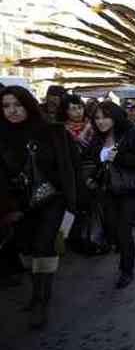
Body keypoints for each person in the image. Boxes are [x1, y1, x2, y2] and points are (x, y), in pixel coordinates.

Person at [0, 85, 78, 329]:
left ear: (28, 104)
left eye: (17, 104)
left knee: (43, 246)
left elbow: (70, 166)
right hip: (19, 205)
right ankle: (36, 292)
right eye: (6, 106)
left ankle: (41, 300)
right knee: (26, 248)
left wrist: (75, 201)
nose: (12, 110)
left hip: (51, 201)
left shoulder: (52, 132)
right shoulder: (1, 136)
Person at [87, 101, 135, 289]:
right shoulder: (97, 139)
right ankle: (123, 254)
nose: (101, 121)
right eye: (97, 118)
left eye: (105, 117)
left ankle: (126, 270)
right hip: (107, 190)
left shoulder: (132, 135)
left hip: (129, 190)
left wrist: (119, 158)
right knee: (113, 229)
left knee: (124, 230)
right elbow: (95, 162)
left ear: (115, 117)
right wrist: (92, 177)